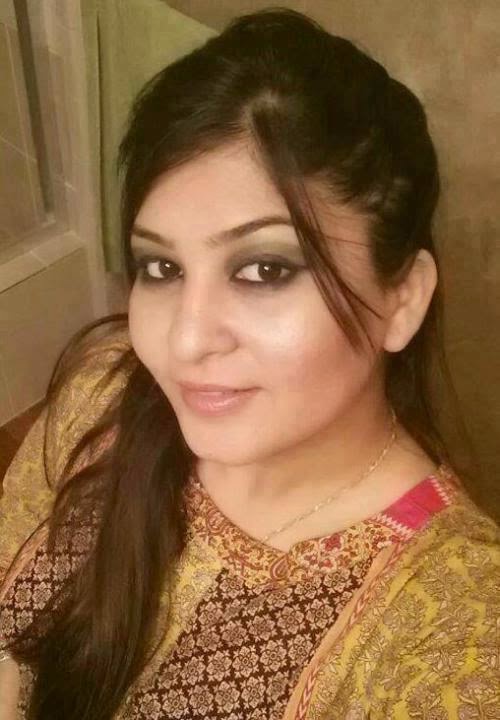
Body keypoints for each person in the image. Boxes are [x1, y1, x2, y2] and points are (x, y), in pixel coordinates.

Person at [0, 7, 498, 719]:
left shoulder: (453, 627)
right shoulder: (102, 393)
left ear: (403, 299)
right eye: (162, 267)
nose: (184, 341)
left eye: (265, 269)